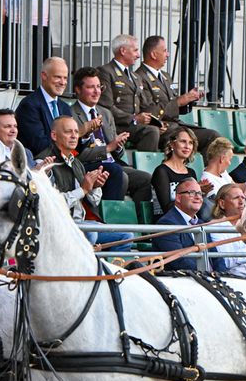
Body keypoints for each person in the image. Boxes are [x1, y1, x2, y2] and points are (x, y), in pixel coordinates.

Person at [45, 116, 130, 250]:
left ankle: (112, 270)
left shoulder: (76, 162)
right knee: (90, 234)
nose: (74, 136)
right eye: (68, 132)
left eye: (76, 132)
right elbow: (52, 205)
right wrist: (83, 190)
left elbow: (94, 201)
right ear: (54, 135)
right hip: (59, 225)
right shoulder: (44, 163)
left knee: (126, 235)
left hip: (82, 223)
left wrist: (94, 187)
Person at [70, 66, 151, 203]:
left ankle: (138, 222)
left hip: (113, 163)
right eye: (91, 87)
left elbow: (118, 152)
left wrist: (118, 146)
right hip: (88, 166)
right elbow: (77, 153)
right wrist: (107, 148)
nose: (97, 92)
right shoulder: (70, 114)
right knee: (118, 174)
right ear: (78, 90)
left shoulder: (106, 113)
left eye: (99, 87)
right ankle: (111, 220)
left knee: (145, 178)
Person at [135, 35, 217, 151]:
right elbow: (149, 112)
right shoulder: (139, 77)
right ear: (153, 54)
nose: (167, 54)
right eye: (164, 51)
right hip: (163, 130)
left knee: (213, 137)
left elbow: (174, 105)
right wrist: (178, 102)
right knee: (205, 138)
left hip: (177, 126)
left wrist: (189, 99)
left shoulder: (166, 76)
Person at [98, 34, 161, 153]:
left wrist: (157, 121)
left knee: (173, 132)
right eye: (135, 50)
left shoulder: (135, 77)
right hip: (118, 125)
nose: (138, 55)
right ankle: (145, 169)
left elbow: (145, 104)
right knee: (151, 131)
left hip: (135, 125)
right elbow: (106, 106)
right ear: (122, 50)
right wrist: (134, 118)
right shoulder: (106, 72)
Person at [16, 56, 73, 157]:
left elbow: (73, 145)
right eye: (57, 77)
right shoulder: (29, 105)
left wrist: (84, 135)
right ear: (44, 76)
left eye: (65, 78)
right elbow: (39, 145)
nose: (62, 82)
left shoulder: (65, 107)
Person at [152, 178, 209, 273]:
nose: (198, 197)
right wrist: (206, 272)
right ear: (178, 198)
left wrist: (221, 274)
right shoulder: (167, 223)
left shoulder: (202, 223)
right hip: (183, 280)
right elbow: (179, 261)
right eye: (192, 192)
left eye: (200, 193)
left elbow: (215, 256)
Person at [152, 126, 200, 214]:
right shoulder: (161, 171)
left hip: (189, 220)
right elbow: (166, 207)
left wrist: (201, 193)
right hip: (168, 221)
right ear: (172, 144)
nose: (187, 146)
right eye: (183, 142)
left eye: (190, 143)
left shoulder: (191, 172)